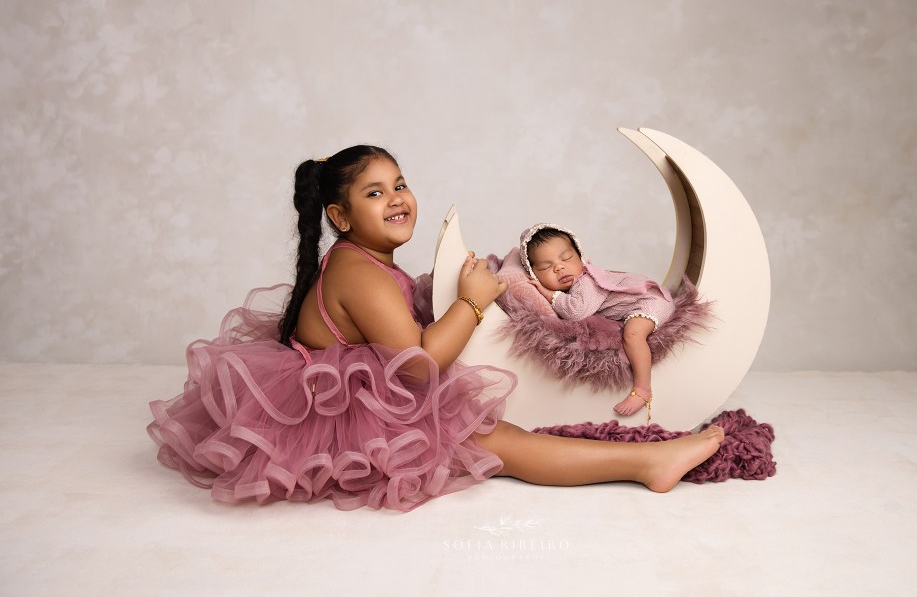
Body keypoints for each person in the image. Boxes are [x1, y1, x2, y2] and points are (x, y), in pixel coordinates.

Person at [147, 145, 724, 512]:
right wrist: (470, 302)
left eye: (399, 184)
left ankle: (635, 458)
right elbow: (420, 366)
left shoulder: (364, 259)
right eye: (375, 193)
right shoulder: (357, 271)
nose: (397, 199)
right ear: (340, 217)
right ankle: (647, 463)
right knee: (499, 443)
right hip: (345, 411)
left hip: (362, 384)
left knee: (496, 428)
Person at [522, 224, 674, 423]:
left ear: (580, 257)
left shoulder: (586, 281)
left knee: (633, 335)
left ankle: (642, 389)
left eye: (566, 258)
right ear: (534, 274)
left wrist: (550, 295)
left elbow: (576, 312)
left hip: (652, 301)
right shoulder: (574, 283)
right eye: (545, 267)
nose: (559, 267)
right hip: (642, 302)